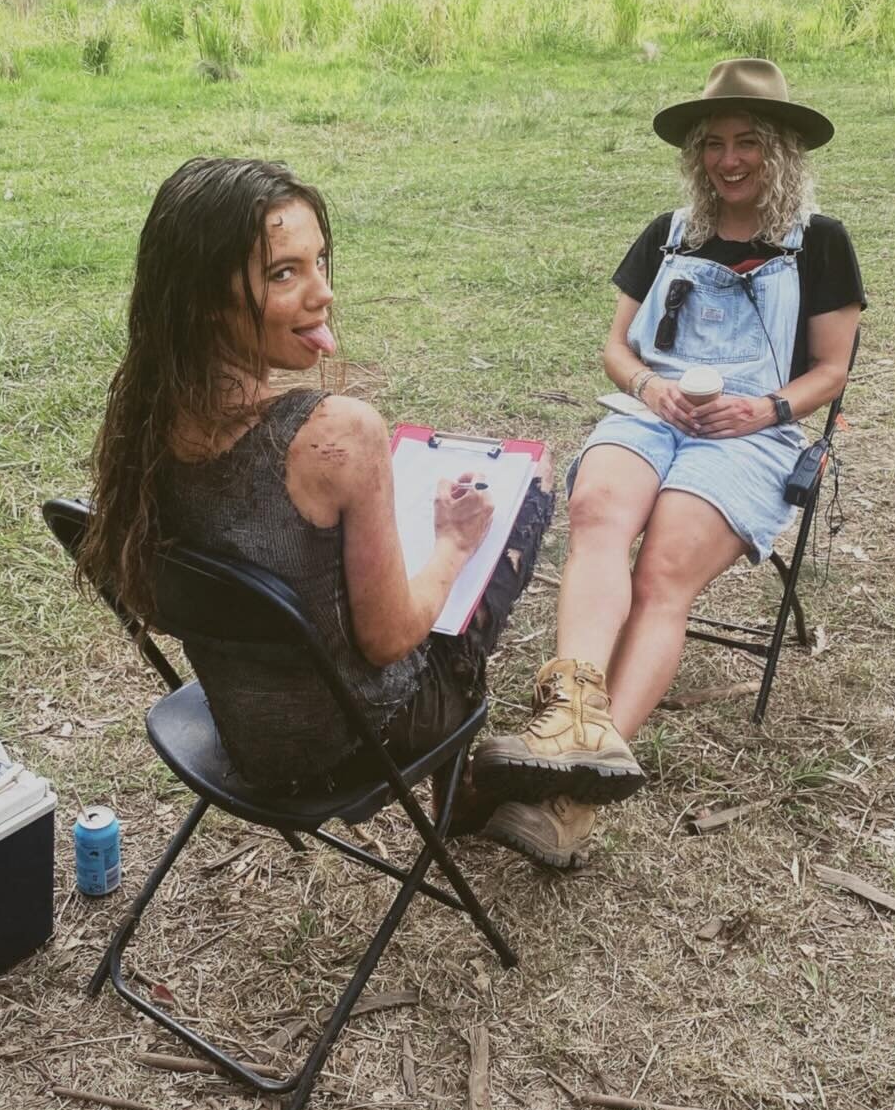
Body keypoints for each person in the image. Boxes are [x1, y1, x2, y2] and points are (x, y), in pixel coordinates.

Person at [473, 59, 865, 868]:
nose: (729, 160)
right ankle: (571, 714)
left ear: (780, 149)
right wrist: (650, 387)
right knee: (597, 514)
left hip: (753, 433)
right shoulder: (670, 232)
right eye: (713, 143)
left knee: (663, 573)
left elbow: (832, 370)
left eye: (747, 142)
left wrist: (765, 409)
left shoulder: (820, 242)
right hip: (652, 413)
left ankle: (572, 800)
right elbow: (616, 349)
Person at [79, 157, 554, 796]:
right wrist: (452, 543)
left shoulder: (143, 417)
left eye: (320, 261)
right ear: (204, 301)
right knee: (530, 479)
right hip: (366, 741)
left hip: (242, 732)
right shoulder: (338, 433)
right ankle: (462, 789)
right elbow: (388, 641)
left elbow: (164, 606)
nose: (323, 293)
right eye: (284, 273)